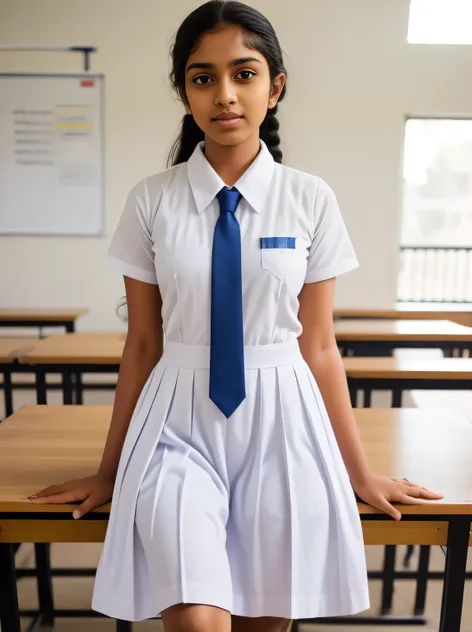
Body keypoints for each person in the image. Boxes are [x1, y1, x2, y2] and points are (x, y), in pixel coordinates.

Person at [28, 2, 444, 630]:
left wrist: (359, 472)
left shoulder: (310, 199)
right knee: (199, 620)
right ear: (185, 93)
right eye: (203, 78)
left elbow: (321, 347)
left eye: (244, 74)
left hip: (285, 426)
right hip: (176, 425)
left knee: (262, 620)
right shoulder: (153, 201)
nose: (225, 95)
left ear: (275, 87)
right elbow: (142, 344)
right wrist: (109, 470)